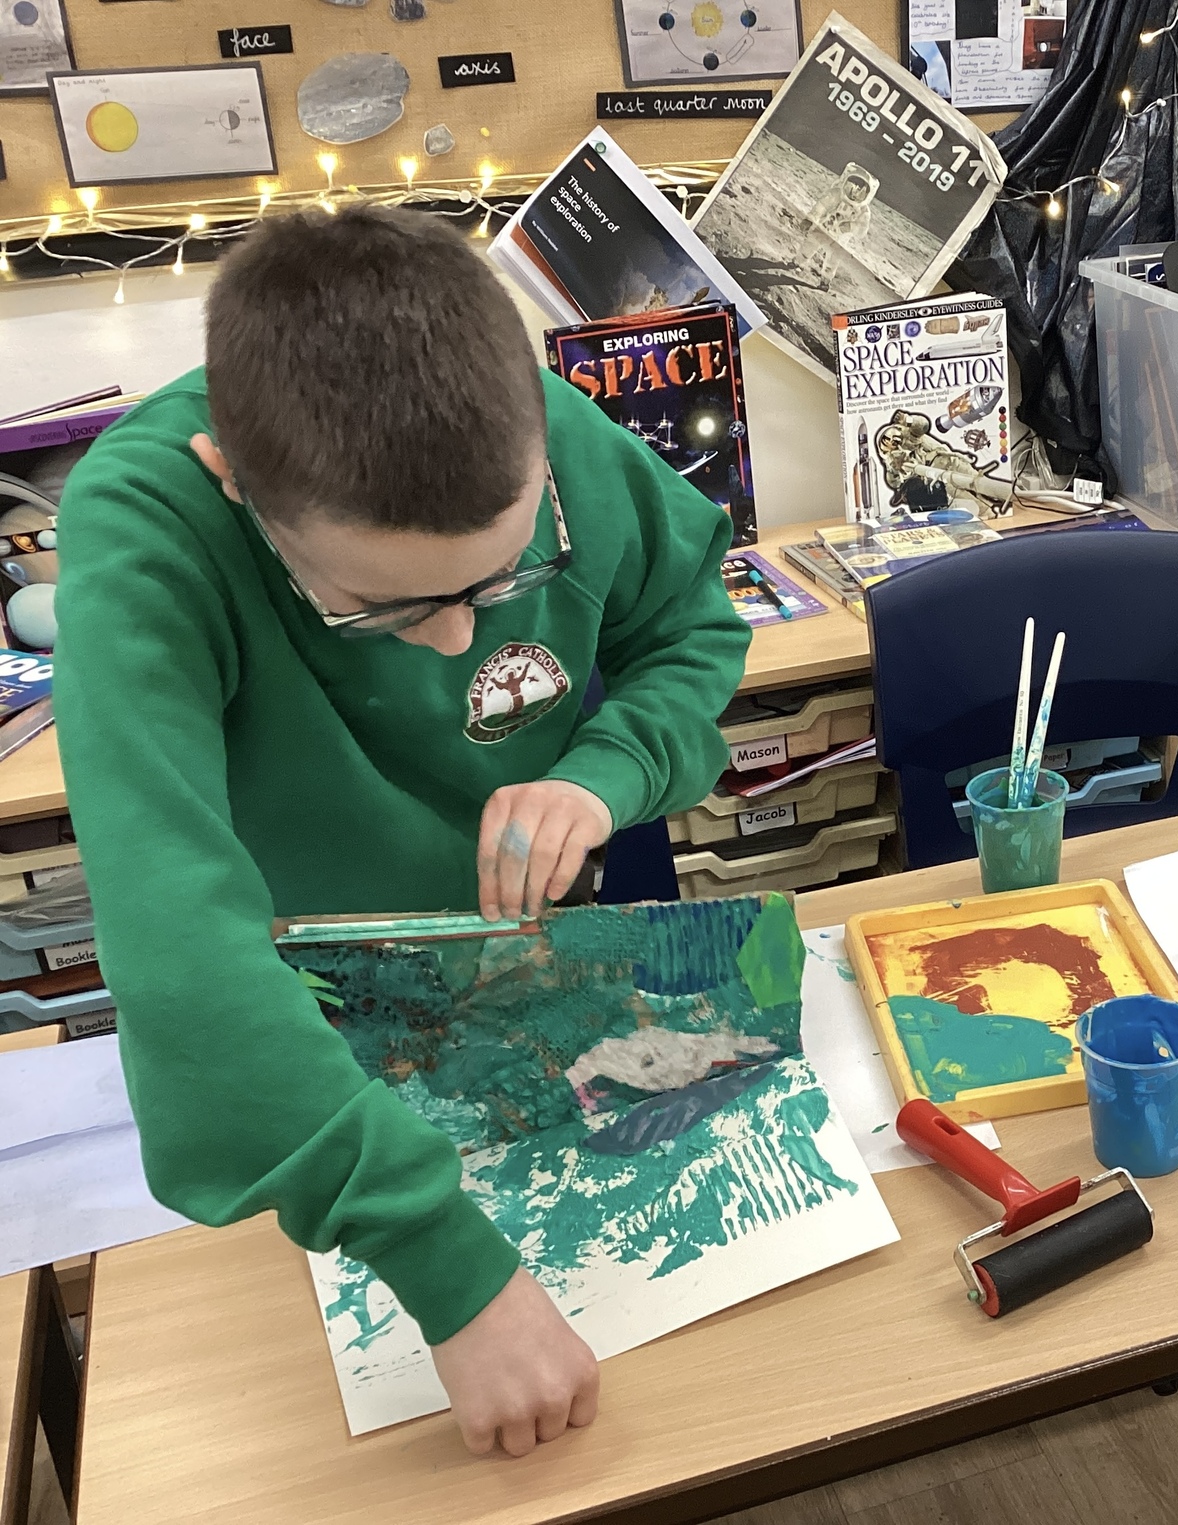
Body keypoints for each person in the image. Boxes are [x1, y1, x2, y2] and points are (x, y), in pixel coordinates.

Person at [54, 206, 750, 1458]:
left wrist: (603, 771)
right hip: (298, 1025)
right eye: (379, 607)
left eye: (503, 580)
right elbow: (177, 942)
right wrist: (448, 1270)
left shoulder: (544, 431)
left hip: (516, 978)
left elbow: (693, 628)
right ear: (233, 479)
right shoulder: (148, 520)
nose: (455, 641)